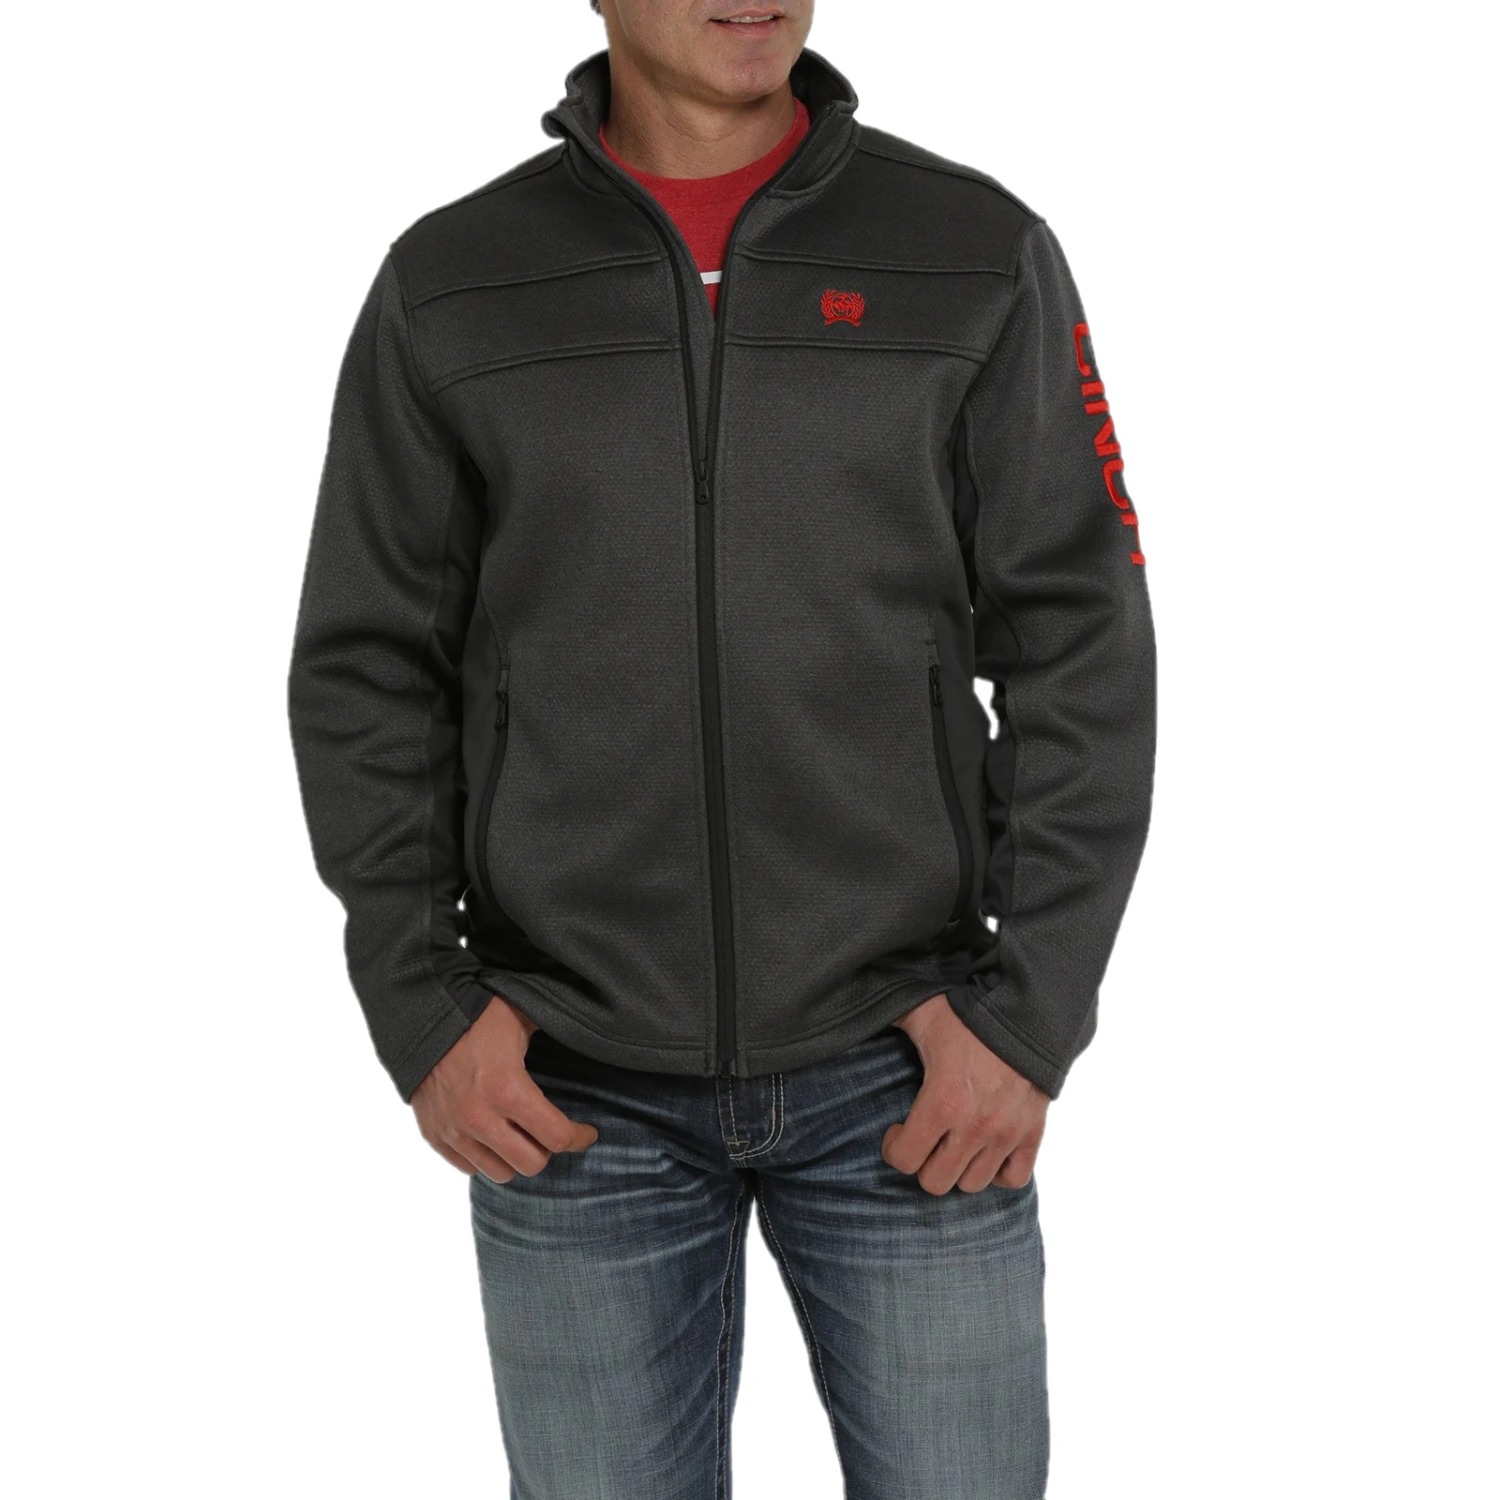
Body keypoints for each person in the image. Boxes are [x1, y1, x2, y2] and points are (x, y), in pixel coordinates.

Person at [287, 3, 1156, 1495]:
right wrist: (421, 1006)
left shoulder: (970, 251)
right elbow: (369, 665)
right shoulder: (456, 282)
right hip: (572, 1088)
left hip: (909, 1073)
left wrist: (1028, 1018)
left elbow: (1082, 642)